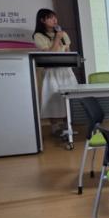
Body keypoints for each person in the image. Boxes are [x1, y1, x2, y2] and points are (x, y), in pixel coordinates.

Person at [32, 8, 78, 136]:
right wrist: (57, 38)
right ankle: (55, 127)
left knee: (68, 97)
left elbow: (68, 52)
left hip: (66, 71)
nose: (54, 20)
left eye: (55, 17)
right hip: (52, 71)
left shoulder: (63, 34)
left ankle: (67, 126)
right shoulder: (38, 36)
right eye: (50, 18)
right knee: (52, 98)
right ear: (42, 20)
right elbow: (50, 54)